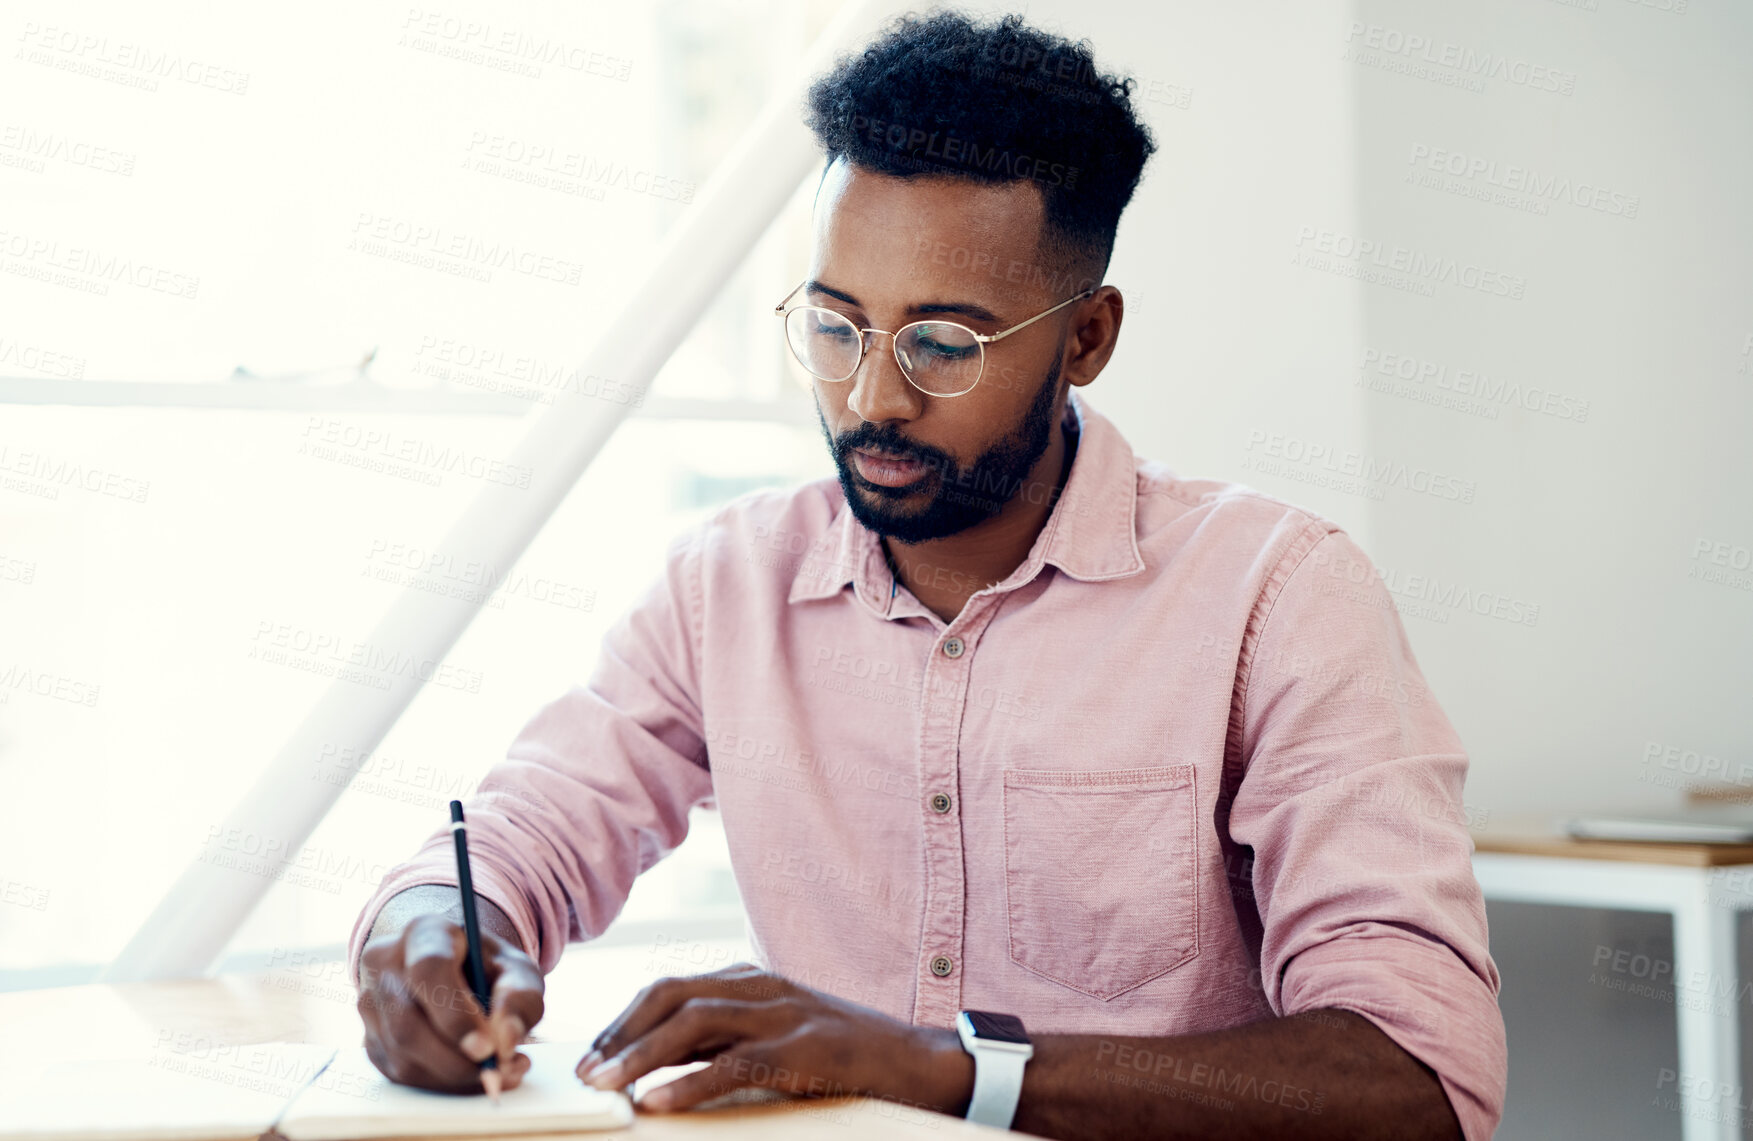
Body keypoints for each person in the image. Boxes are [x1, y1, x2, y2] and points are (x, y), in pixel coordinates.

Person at [347, 10, 1506, 1139]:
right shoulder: (730, 584)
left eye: (945, 344)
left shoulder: (1277, 595)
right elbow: (526, 831)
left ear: (1087, 338)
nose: (872, 398)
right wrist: (432, 930)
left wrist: (943, 1071)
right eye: (837, 326)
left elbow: (1417, 1078)